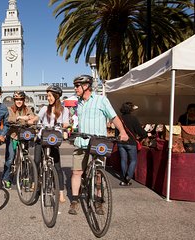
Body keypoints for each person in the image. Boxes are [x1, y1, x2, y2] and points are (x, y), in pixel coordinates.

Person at [68, 75, 129, 215]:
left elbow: (113, 117)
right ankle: (75, 200)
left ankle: (98, 201)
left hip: (98, 143)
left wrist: (123, 132)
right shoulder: (78, 103)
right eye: (75, 86)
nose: (75, 88)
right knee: (77, 172)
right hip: (81, 143)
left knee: (98, 175)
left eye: (78, 86)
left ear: (86, 86)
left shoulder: (101, 100)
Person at [32, 85, 69, 203]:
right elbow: (37, 118)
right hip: (42, 137)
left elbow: (66, 123)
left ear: (56, 96)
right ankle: (35, 182)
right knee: (37, 161)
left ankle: (61, 193)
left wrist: (64, 127)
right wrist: (30, 120)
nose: (48, 98)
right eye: (47, 95)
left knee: (57, 167)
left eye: (50, 96)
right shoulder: (44, 108)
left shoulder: (64, 110)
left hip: (53, 139)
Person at [2, 91, 36, 189]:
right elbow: (9, 119)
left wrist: (28, 118)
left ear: (23, 100)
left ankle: (25, 178)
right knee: (10, 158)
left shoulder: (27, 109)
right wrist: (21, 118)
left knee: (25, 158)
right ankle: (6, 178)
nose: (19, 101)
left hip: (24, 137)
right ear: (14, 100)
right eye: (17, 99)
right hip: (13, 136)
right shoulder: (10, 109)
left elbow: (33, 117)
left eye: (21, 99)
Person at [115, 102, 147, 186]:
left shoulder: (119, 119)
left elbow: (116, 132)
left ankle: (123, 178)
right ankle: (128, 177)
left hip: (121, 142)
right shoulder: (133, 118)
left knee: (123, 160)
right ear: (131, 109)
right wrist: (144, 135)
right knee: (133, 160)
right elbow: (140, 131)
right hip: (131, 142)